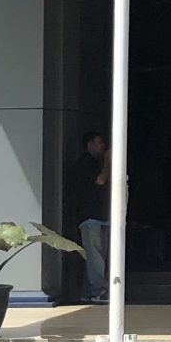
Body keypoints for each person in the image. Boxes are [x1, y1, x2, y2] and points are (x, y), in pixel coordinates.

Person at [68, 129, 110, 305]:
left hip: (101, 216)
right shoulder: (85, 163)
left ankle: (88, 290)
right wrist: (108, 161)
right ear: (90, 144)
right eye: (99, 142)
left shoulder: (96, 162)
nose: (103, 146)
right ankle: (98, 291)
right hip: (90, 217)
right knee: (95, 257)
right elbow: (100, 180)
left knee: (98, 256)